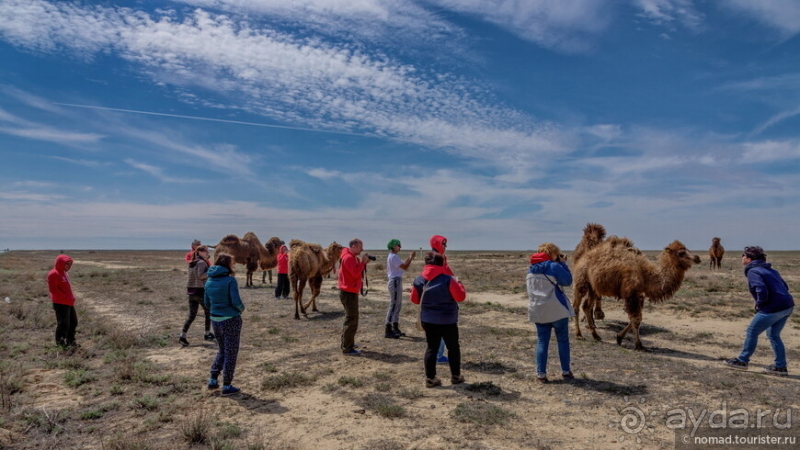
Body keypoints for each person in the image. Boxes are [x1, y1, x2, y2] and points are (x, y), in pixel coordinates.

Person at [725, 246, 794, 376]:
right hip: (787, 306)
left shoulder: (753, 271)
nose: (742, 257)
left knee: (752, 331)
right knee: (774, 335)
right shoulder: (771, 270)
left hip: (772, 308)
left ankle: (742, 360)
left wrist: (760, 304)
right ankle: (780, 367)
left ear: (749, 259)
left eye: (743, 255)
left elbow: (760, 289)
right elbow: (785, 286)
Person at [411, 252, 467, 388]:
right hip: (448, 320)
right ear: (441, 263)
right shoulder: (448, 279)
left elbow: (414, 299)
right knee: (453, 347)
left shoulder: (419, 280)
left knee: (431, 348)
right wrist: (460, 285)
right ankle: (455, 376)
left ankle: (430, 378)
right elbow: (460, 297)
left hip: (428, 320)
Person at [527, 243, 575, 383]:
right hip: (557, 310)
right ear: (552, 254)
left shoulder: (530, 270)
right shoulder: (554, 266)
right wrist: (563, 264)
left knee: (542, 342)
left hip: (538, 311)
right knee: (563, 340)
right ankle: (566, 371)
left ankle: (541, 374)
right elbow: (567, 281)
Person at [204, 254, 245, 395]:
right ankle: (227, 385)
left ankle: (213, 379)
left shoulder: (209, 281)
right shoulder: (230, 280)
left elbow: (207, 303)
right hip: (231, 319)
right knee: (231, 352)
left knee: (222, 350)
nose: (233, 265)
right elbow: (236, 301)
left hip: (215, 320)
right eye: (232, 262)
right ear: (227, 264)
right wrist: (241, 310)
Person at [338, 238, 371, 355]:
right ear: (353, 247)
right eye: (360, 247)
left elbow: (356, 271)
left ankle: (348, 343)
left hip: (350, 291)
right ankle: (347, 347)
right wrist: (363, 263)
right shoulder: (348, 258)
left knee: (352, 319)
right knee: (351, 319)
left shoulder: (351, 258)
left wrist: (363, 263)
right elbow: (355, 273)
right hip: (348, 292)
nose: (362, 249)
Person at [180, 245, 214, 346]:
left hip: (191, 292)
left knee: (191, 315)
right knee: (209, 312)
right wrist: (210, 273)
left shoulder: (192, 262)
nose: (207, 253)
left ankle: (183, 336)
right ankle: (207, 333)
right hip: (200, 291)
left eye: (207, 251)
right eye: (205, 251)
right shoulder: (202, 263)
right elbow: (200, 276)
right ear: (199, 252)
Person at [385, 239, 416, 339]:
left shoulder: (394, 256)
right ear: (394, 246)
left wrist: (410, 258)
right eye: (398, 245)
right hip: (394, 281)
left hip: (396, 281)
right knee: (394, 305)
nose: (400, 247)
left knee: (397, 305)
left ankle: (395, 326)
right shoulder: (393, 257)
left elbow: (403, 265)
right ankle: (388, 329)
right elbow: (405, 267)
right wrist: (411, 257)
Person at [430, 235, 453, 363]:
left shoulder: (441, 258)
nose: (445, 247)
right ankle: (438, 355)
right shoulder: (436, 258)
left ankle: (438, 354)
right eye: (443, 244)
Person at [47, 254, 78, 349]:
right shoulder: (54, 274)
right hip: (60, 303)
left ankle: (70, 341)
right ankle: (60, 343)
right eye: (66, 264)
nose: (68, 266)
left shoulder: (64, 273)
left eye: (69, 264)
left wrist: (70, 298)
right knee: (63, 324)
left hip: (68, 302)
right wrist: (66, 297)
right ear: (60, 263)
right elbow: (53, 290)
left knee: (73, 322)